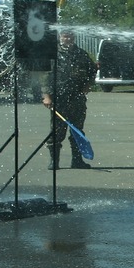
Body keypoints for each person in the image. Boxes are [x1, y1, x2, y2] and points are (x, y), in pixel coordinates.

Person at [42, 30, 97, 170]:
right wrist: (46, 96)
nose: (68, 39)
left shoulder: (81, 54)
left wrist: (88, 85)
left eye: (70, 36)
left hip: (77, 98)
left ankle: (77, 161)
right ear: (60, 37)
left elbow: (92, 70)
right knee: (57, 132)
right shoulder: (53, 54)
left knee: (77, 131)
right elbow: (45, 76)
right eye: (65, 36)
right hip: (59, 99)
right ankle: (54, 162)